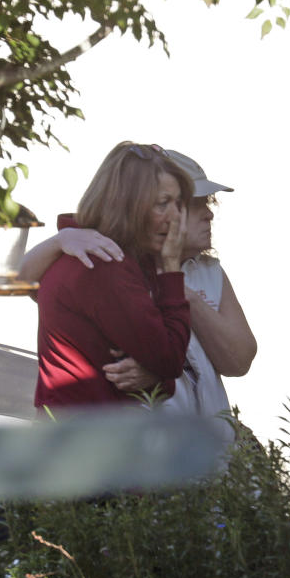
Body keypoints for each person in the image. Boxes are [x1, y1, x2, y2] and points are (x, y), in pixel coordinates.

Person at [20, 149, 256, 424]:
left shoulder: (208, 271)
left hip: (207, 451)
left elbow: (239, 361)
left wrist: (183, 294)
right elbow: (23, 281)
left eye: (208, 202)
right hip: (143, 448)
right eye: (195, 203)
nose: (209, 215)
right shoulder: (104, 262)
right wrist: (61, 240)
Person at [29, 142, 194, 411]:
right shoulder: (107, 264)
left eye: (178, 204)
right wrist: (172, 268)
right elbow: (170, 359)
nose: (175, 218)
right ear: (127, 205)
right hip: (90, 436)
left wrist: (157, 376)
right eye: (163, 204)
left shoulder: (83, 250)